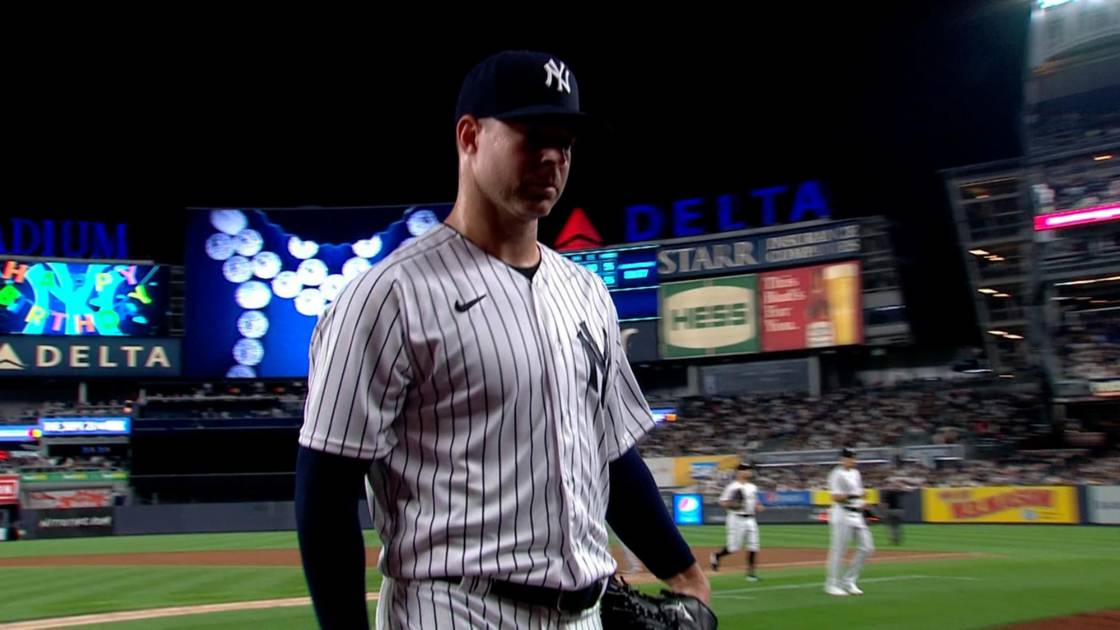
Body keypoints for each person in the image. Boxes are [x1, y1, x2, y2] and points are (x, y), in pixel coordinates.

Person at [294, 50, 709, 629]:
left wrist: (684, 572)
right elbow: (325, 494)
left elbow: (611, 454)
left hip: (586, 613)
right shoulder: (387, 297)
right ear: (469, 137)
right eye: (532, 136)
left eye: (565, 142)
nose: (552, 157)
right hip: (455, 609)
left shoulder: (587, 292)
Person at [825, 447, 874, 596]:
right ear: (843, 459)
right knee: (839, 550)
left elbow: (860, 493)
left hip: (856, 513)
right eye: (850, 458)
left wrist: (863, 502)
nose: (853, 460)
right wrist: (855, 495)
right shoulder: (836, 474)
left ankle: (849, 580)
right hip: (842, 513)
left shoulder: (856, 473)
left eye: (854, 457)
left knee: (867, 548)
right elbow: (835, 497)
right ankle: (832, 584)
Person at [710, 463, 764, 581]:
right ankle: (717, 556)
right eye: (746, 470)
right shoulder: (732, 487)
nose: (749, 472)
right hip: (736, 519)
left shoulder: (752, 487)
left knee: (754, 545)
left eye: (749, 470)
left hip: (751, 519)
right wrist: (732, 504)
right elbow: (722, 502)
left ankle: (751, 574)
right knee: (733, 547)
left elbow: (756, 502)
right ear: (739, 472)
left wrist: (758, 506)